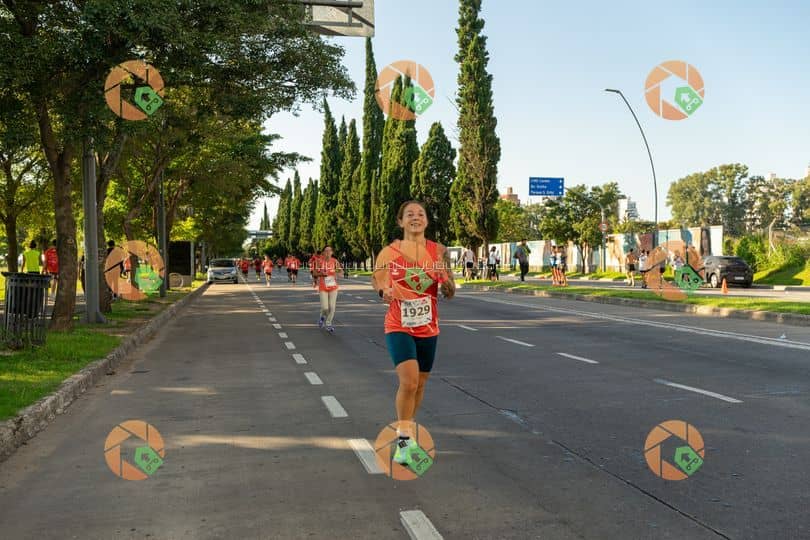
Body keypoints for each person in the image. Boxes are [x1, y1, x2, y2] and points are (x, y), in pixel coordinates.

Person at [371, 200, 455, 466]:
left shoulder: (439, 251)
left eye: (421, 214)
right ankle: (404, 442)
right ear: (401, 221)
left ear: (427, 220)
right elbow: (377, 281)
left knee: (420, 384)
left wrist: (445, 280)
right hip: (399, 324)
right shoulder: (389, 252)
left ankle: (406, 429)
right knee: (408, 382)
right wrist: (384, 291)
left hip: (428, 326)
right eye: (410, 214)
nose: (416, 217)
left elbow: (450, 290)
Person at [313, 246, 343, 333]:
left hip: (333, 287)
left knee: (332, 307)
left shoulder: (335, 261)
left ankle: (328, 323)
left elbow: (341, 271)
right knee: (325, 308)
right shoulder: (319, 261)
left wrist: (338, 274)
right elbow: (314, 273)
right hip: (323, 287)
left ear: (332, 252)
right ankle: (322, 316)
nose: (328, 253)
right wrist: (321, 274)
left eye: (329, 251)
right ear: (323, 253)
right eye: (326, 251)